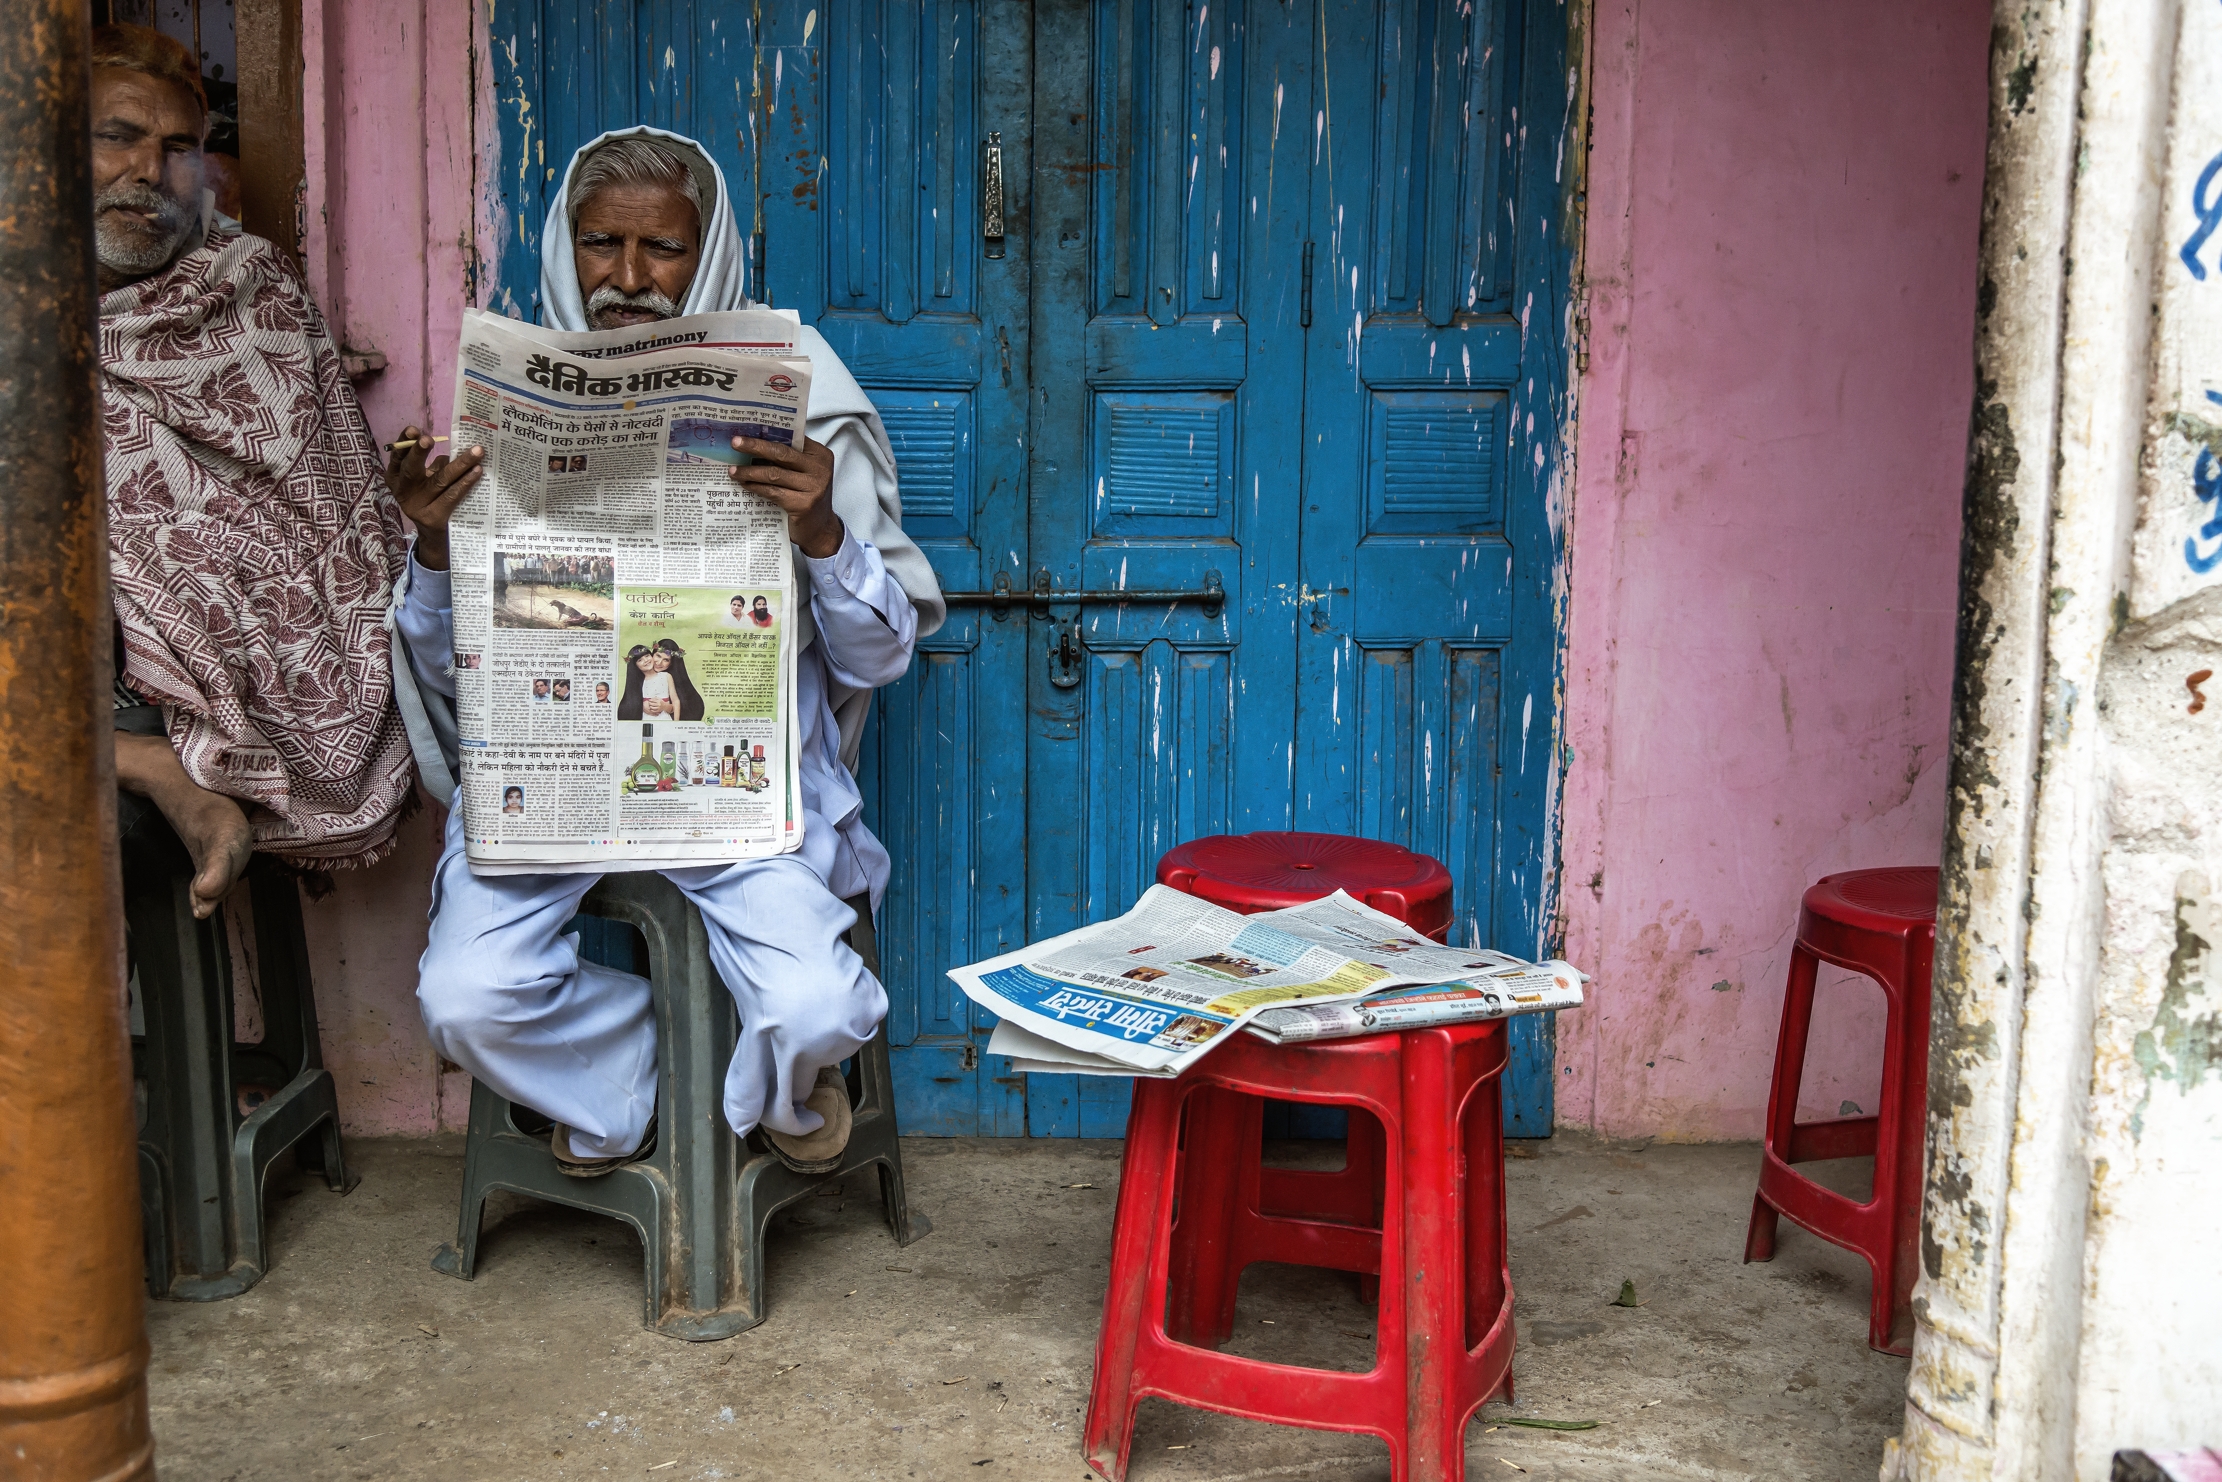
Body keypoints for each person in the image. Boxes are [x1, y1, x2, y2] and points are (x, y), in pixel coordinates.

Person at [389, 127, 944, 1175]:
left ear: (711, 251)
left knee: (818, 1006)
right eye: (602, 243)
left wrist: (822, 531)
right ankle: (636, 1083)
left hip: (739, 794)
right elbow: (442, 670)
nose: (630, 278)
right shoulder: (506, 399)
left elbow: (877, 658)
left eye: (665, 250)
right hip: (550, 789)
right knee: (464, 998)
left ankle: (773, 1089)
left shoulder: (805, 399)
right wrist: (432, 547)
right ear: (568, 247)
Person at [96, 24, 415, 919]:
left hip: (203, 686)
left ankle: (149, 758)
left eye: (178, 148)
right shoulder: (22, 314)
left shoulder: (249, 286)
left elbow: (327, 515)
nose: (150, 171)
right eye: (117, 136)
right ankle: (145, 768)